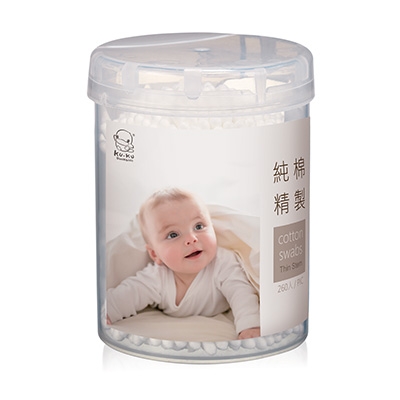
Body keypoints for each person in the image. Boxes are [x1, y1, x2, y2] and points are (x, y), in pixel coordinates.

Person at [106, 188, 260, 339]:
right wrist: (106, 313)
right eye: (173, 234)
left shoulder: (223, 261)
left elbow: (241, 293)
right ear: (155, 254)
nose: (192, 238)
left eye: (198, 226)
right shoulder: (156, 277)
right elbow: (125, 297)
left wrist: (249, 326)